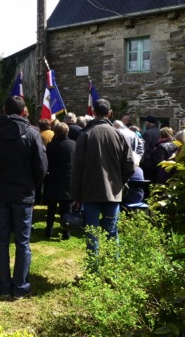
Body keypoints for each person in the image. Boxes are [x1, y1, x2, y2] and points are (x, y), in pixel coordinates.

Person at [0, 96, 48, 299]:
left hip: (6, 192)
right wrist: (29, 185)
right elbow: (41, 166)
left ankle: (6, 285)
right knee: (22, 241)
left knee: (3, 240)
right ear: (23, 111)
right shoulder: (30, 134)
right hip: (19, 194)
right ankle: (18, 286)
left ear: (4, 110)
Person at [70, 98, 135, 259]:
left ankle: (94, 270)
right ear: (110, 113)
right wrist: (119, 181)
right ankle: (112, 271)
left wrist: (76, 196)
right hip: (112, 191)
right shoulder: (118, 135)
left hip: (90, 192)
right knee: (112, 232)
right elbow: (130, 166)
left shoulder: (85, 135)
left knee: (92, 232)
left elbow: (77, 169)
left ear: (93, 113)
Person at [44, 122, 76, 240]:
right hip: (69, 179)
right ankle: (66, 232)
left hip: (54, 178)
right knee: (67, 208)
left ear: (55, 132)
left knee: (51, 208)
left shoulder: (51, 146)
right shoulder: (74, 145)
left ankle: (49, 230)